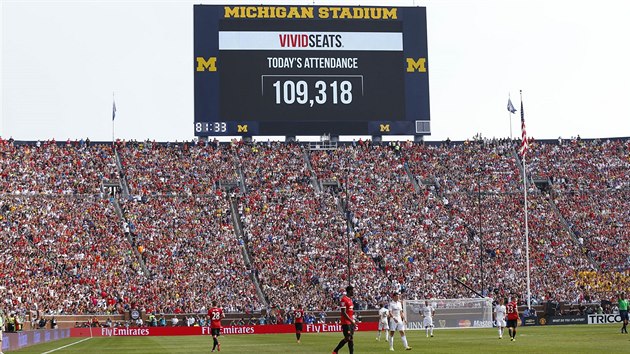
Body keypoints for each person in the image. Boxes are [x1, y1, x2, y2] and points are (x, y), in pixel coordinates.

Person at [332, 285, 355, 354]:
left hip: (350, 322)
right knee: (348, 338)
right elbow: (343, 313)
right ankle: (335, 350)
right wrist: (351, 321)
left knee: (350, 339)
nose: (354, 292)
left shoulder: (350, 300)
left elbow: (350, 312)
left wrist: (353, 320)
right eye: (353, 290)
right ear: (350, 291)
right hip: (346, 322)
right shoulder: (343, 299)